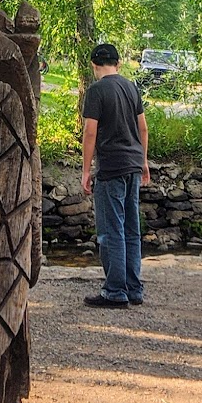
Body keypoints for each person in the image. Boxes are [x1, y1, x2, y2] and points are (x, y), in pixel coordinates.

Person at [80, 41, 150, 308]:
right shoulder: (131, 87)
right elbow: (143, 129)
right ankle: (134, 288)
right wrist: (143, 161)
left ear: (94, 65)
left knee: (111, 230)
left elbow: (90, 132)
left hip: (111, 166)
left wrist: (86, 170)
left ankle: (115, 290)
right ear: (118, 64)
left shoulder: (96, 91)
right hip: (133, 163)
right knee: (132, 228)